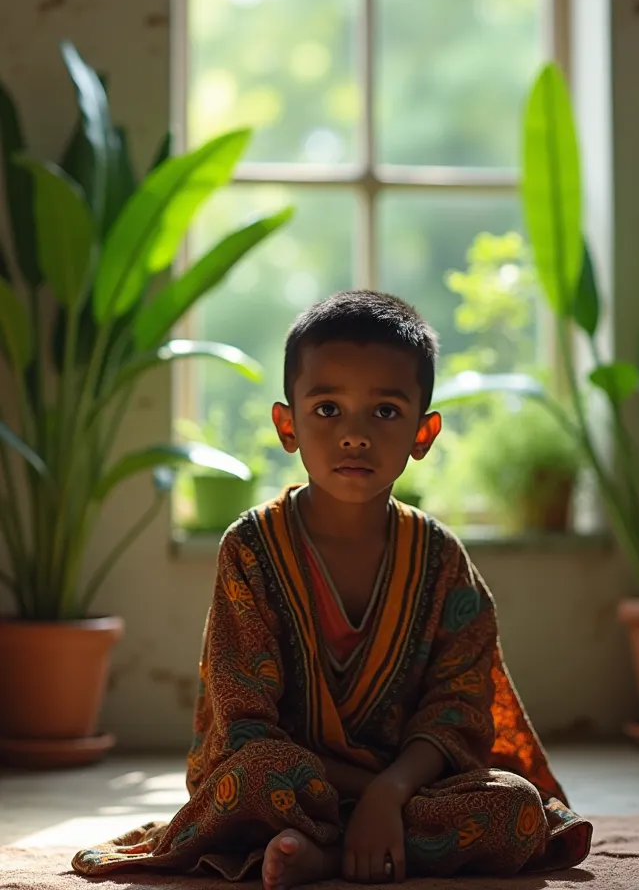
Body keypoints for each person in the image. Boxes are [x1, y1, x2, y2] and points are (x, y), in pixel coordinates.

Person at [73, 290, 592, 887]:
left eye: (386, 412)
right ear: (286, 424)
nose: (354, 435)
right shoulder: (251, 548)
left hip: (413, 788)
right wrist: (373, 800)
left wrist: (392, 792)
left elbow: (459, 712)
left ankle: (323, 855)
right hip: (292, 788)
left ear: (424, 434)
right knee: (257, 775)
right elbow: (243, 724)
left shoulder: (442, 558)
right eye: (327, 410)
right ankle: (365, 844)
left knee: (515, 808)